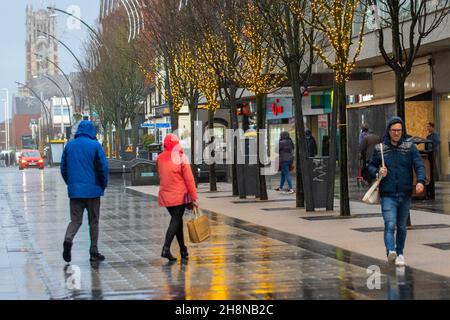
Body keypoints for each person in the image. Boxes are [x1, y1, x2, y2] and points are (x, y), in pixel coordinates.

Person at [368, 116, 425, 267]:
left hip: (405, 194)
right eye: (393, 130)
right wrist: (378, 171)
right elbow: (370, 167)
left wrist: (420, 181)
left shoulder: (409, 147)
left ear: (402, 131)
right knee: (390, 224)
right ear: (388, 130)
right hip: (387, 194)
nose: (396, 133)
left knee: (401, 227)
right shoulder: (380, 148)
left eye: (399, 130)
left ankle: (400, 253)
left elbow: (419, 165)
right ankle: (391, 251)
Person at [61, 120, 109, 263]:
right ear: (92, 131)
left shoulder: (69, 146)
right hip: (93, 191)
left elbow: (63, 168)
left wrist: (71, 183)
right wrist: (103, 185)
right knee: (93, 222)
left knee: (75, 220)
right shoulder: (95, 146)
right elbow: (103, 167)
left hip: (75, 192)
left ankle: (68, 240)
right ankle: (94, 252)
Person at [157, 134, 198, 261]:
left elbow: (160, 173)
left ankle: (183, 250)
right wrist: (194, 197)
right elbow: (189, 179)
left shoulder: (159, 158)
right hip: (179, 196)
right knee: (175, 221)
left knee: (177, 222)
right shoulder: (181, 157)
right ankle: (166, 248)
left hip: (165, 195)